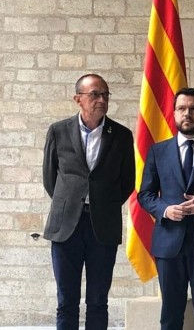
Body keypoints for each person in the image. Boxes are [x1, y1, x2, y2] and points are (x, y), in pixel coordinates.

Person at [42, 74, 135, 330]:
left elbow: (127, 182)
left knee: (97, 301)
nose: (101, 100)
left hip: (102, 227)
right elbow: (50, 178)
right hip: (65, 228)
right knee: (66, 301)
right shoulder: (59, 131)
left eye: (105, 94)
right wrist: (70, 203)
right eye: (95, 94)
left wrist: (103, 204)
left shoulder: (122, 135)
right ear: (78, 99)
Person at [137, 87, 194, 330]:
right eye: (181, 108)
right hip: (169, 243)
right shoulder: (158, 151)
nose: (187, 113)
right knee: (170, 314)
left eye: (193, 109)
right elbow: (145, 195)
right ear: (174, 113)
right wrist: (166, 210)